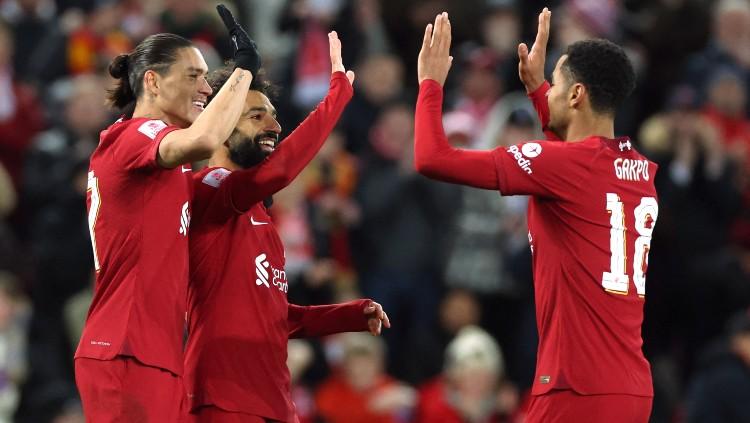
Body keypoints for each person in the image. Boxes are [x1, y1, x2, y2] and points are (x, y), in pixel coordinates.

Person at [414, 10, 658, 422]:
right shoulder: (639, 171)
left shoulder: (564, 167)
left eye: (557, 85)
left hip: (576, 387)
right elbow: (569, 170)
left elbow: (431, 158)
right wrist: (537, 90)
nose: (550, 93)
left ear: (577, 95)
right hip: (631, 387)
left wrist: (430, 84)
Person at [184, 31, 390, 422]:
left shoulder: (261, 215)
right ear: (220, 124)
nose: (274, 126)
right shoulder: (206, 192)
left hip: (275, 401)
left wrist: (346, 316)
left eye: (274, 115)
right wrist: (336, 99)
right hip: (223, 396)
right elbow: (279, 172)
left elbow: (275, 317)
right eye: (256, 115)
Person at [74, 5, 260, 421]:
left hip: (152, 352)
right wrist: (243, 73)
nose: (205, 88)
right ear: (152, 82)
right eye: (194, 76)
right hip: (124, 348)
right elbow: (203, 139)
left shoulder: (166, 169)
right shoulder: (137, 133)